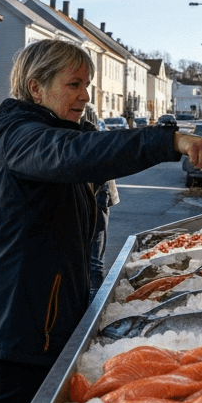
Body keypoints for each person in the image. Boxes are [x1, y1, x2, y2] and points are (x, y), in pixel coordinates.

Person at [0, 40, 202, 403]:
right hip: (19, 323)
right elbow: (79, 156)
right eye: (73, 84)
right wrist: (171, 141)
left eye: (87, 84)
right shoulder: (20, 138)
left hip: (42, 317)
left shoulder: (50, 132)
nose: (85, 95)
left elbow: (92, 147)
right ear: (36, 89)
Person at [79, 103, 119, 293]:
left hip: (97, 195)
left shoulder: (87, 134)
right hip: (100, 194)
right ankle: (92, 309)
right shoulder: (96, 133)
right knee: (94, 261)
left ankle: (92, 312)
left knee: (93, 261)